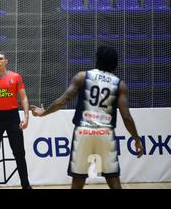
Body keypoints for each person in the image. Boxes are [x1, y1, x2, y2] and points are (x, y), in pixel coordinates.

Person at [31, 45, 144, 189]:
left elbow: (62, 101)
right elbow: (126, 116)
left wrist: (43, 112)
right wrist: (136, 139)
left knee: (78, 181)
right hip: (105, 133)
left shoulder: (83, 76)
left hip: (83, 132)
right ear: (115, 63)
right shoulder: (119, 84)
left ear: (97, 59)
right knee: (113, 179)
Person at [0, 53, 32, 189]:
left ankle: (26, 185)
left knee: (19, 152)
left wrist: (26, 117)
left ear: (6, 62)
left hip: (12, 117)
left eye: (1, 59)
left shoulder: (15, 77)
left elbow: (24, 98)